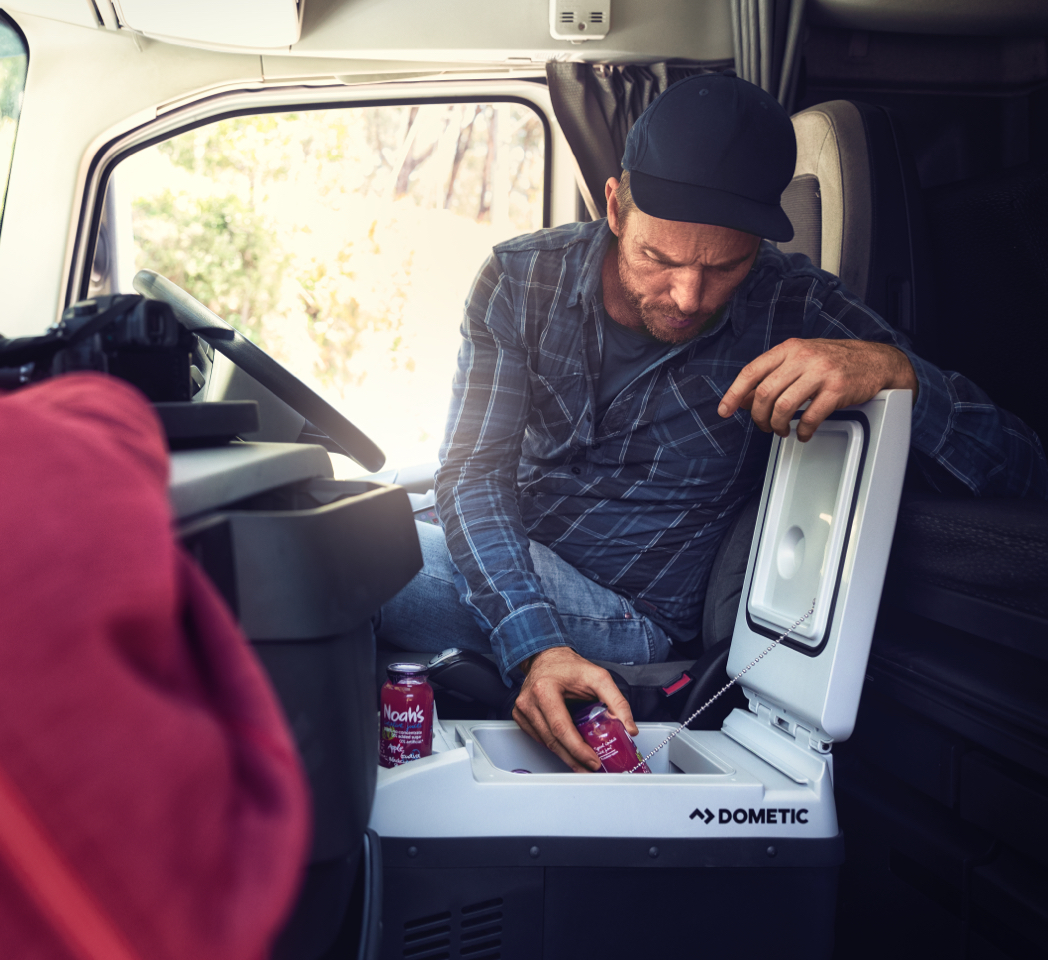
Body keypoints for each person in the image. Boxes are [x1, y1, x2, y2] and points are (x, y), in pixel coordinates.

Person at [376, 73, 1048, 774]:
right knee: (333, 524)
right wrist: (537, 645)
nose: (687, 297)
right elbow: (475, 475)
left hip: (632, 613)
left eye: (724, 266)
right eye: (658, 259)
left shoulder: (794, 307)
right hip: (522, 555)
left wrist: (896, 373)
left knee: (342, 555)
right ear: (614, 207)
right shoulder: (519, 281)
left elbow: (1022, 468)